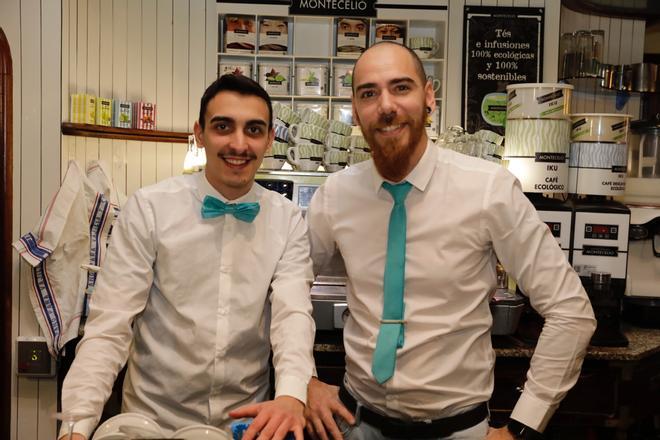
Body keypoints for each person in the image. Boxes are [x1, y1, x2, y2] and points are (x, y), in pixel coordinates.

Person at [304, 41, 596, 440]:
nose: (385, 105)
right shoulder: (335, 194)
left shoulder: (488, 188)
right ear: (355, 110)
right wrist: (303, 379)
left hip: (460, 430)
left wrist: (522, 426)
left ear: (428, 98)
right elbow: (288, 287)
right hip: (357, 425)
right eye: (368, 93)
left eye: (401, 88)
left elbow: (571, 310)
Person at [59, 74, 315, 440]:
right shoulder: (149, 208)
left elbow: (293, 316)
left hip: (244, 425)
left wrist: (291, 394)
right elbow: (110, 326)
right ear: (200, 132)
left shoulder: (287, 219)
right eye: (223, 126)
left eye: (254, 129)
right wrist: (77, 424)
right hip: (151, 425)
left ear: (270, 139)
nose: (239, 144)